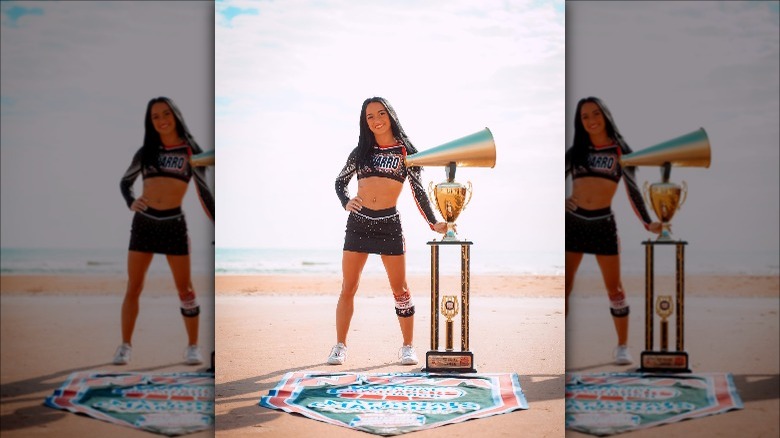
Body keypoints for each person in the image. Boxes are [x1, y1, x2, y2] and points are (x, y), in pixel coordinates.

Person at [329, 97, 447, 366]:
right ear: (365, 122)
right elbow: (339, 182)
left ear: (390, 115)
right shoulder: (361, 152)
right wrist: (346, 201)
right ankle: (340, 345)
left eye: (381, 113)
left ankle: (407, 346)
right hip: (358, 223)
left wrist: (433, 222)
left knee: (400, 289)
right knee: (349, 286)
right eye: (369, 116)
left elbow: (418, 191)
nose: (376, 120)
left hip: (388, 224)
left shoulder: (406, 152)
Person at [115, 96, 215, 366]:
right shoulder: (146, 151)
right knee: (134, 287)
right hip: (144, 223)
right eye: (155, 116)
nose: (161, 120)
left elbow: (205, 191)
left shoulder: (191, 151)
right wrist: (130, 201)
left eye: (165, 114)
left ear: (176, 116)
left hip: (173, 224)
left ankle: (193, 346)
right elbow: (126, 182)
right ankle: (125, 345)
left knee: (185, 288)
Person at [565, 96, 662, 365]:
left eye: (596, 114)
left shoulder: (620, 151)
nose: (591, 120)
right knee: (566, 286)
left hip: (603, 224)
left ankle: (622, 346)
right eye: (585, 117)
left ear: (605, 115)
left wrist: (648, 222)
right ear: (579, 122)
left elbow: (633, 192)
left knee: (615, 288)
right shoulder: (576, 153)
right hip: (573, 223)